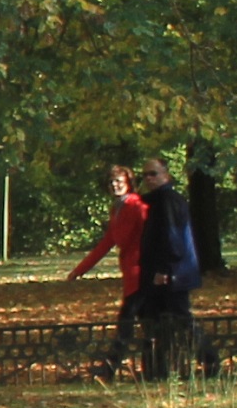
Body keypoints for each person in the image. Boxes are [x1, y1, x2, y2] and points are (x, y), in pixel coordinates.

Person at [67, 164, 150, 378]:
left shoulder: (137, 206)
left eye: (119, 181)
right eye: (112, 182)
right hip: (132, 274)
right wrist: (79, 270)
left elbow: (149, 236)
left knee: (128, 321)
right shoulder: (118, 208)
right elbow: (106, 243)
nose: (115, 185)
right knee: (147, 323)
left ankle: (110, 368)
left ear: (129, 183)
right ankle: (152, 367)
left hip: (142, 273)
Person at [132, 160, 204, 380]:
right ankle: (157, 369)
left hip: (172, 275)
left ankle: (208, 361)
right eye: (144, 175)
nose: (149, 179)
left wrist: (166, 270)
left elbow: (173, 239)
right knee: (155, 319)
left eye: (153, 174)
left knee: (180, 319)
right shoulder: (153, 201)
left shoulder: (168, 201)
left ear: (166, 175)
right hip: (160, 273)